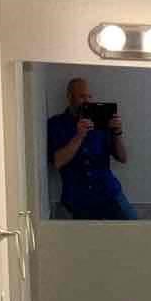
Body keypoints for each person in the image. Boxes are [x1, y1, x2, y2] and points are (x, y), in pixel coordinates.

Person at [47, 77, 137, 220]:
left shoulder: (101, 121)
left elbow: (122, 158)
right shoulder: (56, 124)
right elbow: (58, 162)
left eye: (89, 96)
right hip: (79, 199)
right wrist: (79, 136)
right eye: (82, 97)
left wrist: (117, 133)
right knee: (89, 241)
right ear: (69, 97)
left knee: (136, 232)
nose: (87, 101)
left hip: (109, 193)